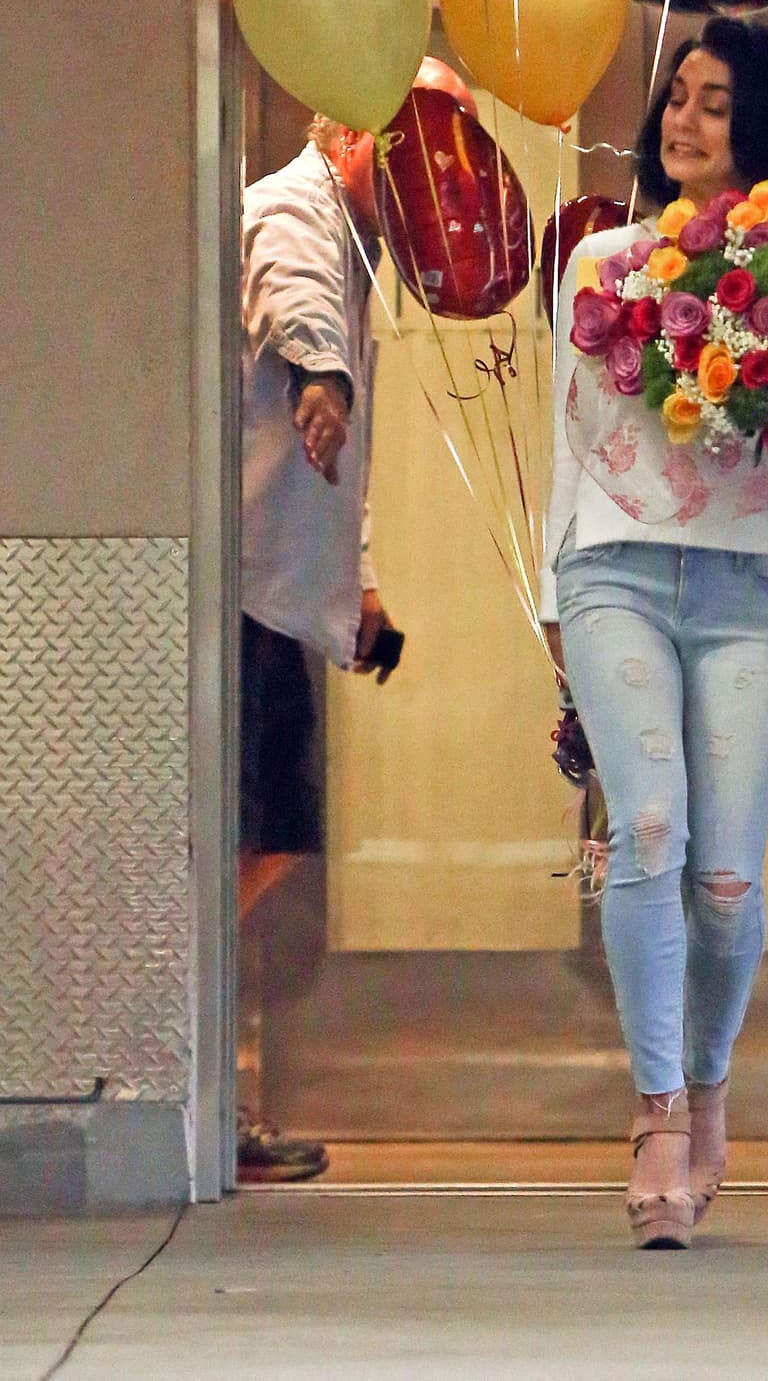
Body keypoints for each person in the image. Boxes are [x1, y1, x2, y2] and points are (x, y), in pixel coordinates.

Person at [540, 18, 768, 1248]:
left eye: (713, 103)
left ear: (759, 125)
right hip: (611, 566)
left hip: (748, 583)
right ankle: (657, 1111)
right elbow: (567, 445)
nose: (683, 119)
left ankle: (709, 1079)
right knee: (648, 829)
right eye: (676, 96)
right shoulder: (602, 258)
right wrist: (555, 608)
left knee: (724, 880)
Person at [238, 115, 400, 1182]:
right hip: (247, 590)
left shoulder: (359, 247)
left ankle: (199, 1064)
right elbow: (290, 294)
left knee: (270, 834)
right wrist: (321, 379)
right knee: (250, 836)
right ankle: (196, 1068)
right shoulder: (294, 207)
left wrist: (362, 578)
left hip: (281, 592)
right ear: (345, 132)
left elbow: (342, 466)